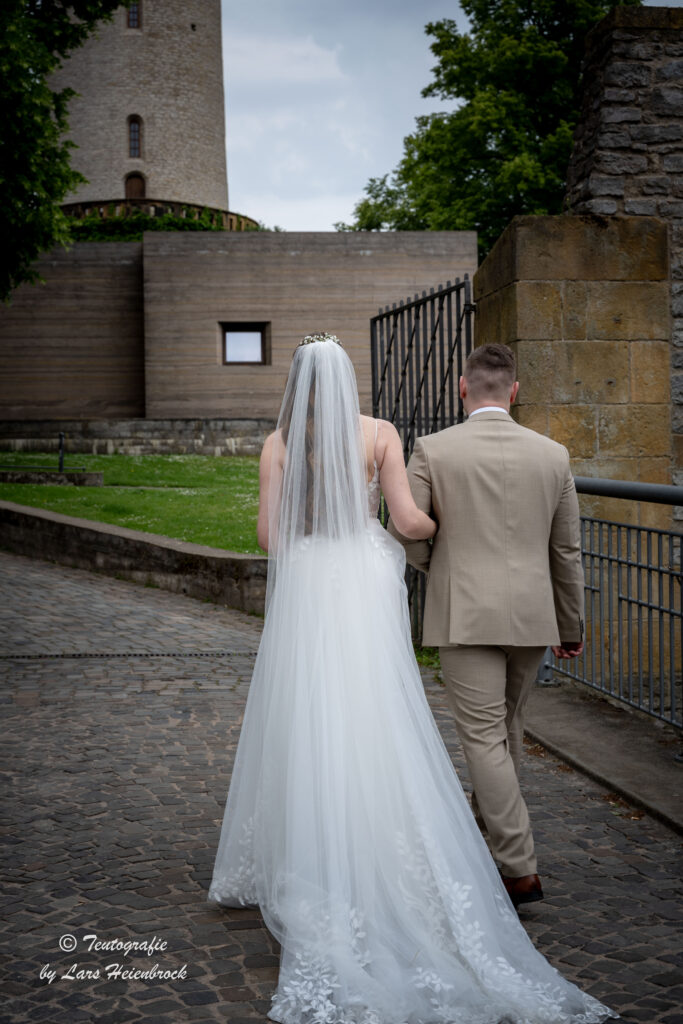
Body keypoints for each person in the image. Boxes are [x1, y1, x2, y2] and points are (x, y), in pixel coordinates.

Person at [208, 333, 615, 1024]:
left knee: (309, 713)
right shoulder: (380, 433)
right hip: (368, 582)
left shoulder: (276, 444)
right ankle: (467, 852)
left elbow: (269, 541)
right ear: (347, 383)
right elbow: (407, 520)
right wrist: (436, 521)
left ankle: (315, 842)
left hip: (311, 580)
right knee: (378, 712)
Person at [388, 342, 585, 910]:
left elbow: (409, 529)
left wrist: (439, 569)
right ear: (515, 391)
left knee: (484, 738)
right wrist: (570, 624)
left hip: (464, 612)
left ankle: (519, 867)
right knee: (506, 732)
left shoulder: (432, 448)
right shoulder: (553, 455)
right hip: (532, 615)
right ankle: (494, 840)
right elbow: (565, 551)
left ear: (462, 387)